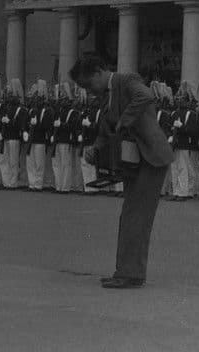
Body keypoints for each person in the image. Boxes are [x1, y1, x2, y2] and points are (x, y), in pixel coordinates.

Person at [74, 53, 174, 290]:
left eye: (88, 84)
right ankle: (128, 272)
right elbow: (107, 126)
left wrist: (124, 121)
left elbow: (145, 96)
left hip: (151, 157)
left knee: (135, 216)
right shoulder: (106, 94)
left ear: (99, 72)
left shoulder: (127, 80)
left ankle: (129, 274)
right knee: (130, 215)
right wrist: (96, 147)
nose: (89, 91)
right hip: (135, 161)